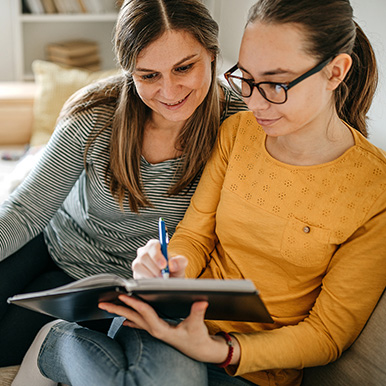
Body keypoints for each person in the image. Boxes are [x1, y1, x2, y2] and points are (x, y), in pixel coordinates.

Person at [12, 0, 386, 385]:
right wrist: (172, 266)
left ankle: (60, 344)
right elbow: (192, 236)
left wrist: (222, 349)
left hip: (241, 356)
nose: (254, 101)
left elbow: (328, 334)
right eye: (247, 78)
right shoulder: (239, 132)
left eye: (274, 83)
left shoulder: (371, 188)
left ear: (336, 72)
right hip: (158, 306)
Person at [0, 0, 247, 367]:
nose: (169, 90)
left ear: (212, 53)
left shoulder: (239, 128)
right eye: (148, 75)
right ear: (129, 71)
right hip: (53, 243)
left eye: (184, 67)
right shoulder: (96, 115)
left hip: (117, 290)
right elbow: (25, 212)